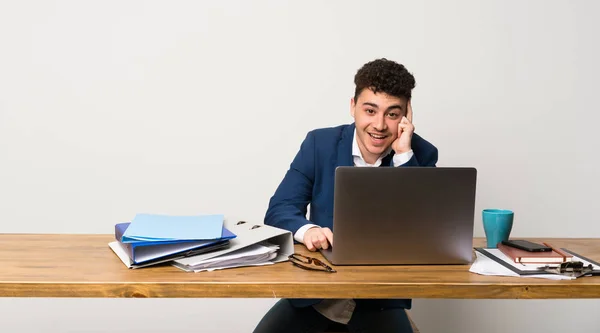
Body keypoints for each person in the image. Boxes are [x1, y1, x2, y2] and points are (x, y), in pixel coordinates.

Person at [253, 58, 438, 333]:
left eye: (392, 113)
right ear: (353, 106)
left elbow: (423, 231)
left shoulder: (419, 154)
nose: (379, 125)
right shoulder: (319, 144)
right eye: (370, 110)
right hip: (318, 296)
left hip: (380, 300)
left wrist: (403, 156)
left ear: (406, 115)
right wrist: (309, 230)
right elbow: (280, 209)